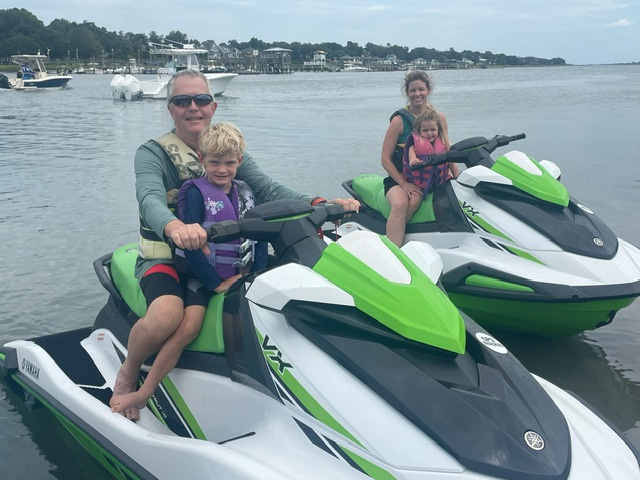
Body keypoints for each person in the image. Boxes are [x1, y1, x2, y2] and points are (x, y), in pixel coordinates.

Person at [110, 69, 359, 421]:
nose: (193, 107)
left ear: (213, 106)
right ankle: (129, 369)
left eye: (201, 99)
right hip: (168, 255)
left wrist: (317, 203)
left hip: (223, 257)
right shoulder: (152, 153)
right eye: (182, 100)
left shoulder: (226, 151)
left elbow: (267, 189)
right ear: (170, 108)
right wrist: (175, 226)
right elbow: (149, 197)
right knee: (167, 316)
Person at [110, 122, 266, 414]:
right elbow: (155, 205)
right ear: (202, 160)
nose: (222, 169)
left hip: (238, 273)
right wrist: (214, 284)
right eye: (215, 163)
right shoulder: (192, 190)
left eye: (229, 163)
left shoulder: (245, 191)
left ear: (239, 162)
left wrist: (256, 272)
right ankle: (140, 386)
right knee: (187, 328)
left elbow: (257, 234)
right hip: (200, 276)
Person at [380, 70, 459, 247]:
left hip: (434, 178)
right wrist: (404, 184)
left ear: (428, 90)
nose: (417, 94)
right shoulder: (399, 121)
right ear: (407, 92)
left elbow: (447, 150)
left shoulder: (439, 118)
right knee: (400, 205)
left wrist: (459, 178)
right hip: (402, 179)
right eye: (413, 90)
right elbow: (385, 159)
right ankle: (392, 248)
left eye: (421, 89)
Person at [402, 108, 453, 196]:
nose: (429, 133)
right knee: (415, 200)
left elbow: (452, 164)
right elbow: (412, 160)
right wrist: (414, 161)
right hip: (419, 185)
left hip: (441, 183)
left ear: (438, 129)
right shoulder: (413, 146)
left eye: (433, 130)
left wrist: (458, 180)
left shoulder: (444, 144)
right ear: (419, 131)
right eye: (425, 130)